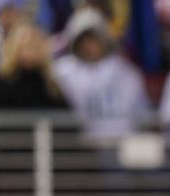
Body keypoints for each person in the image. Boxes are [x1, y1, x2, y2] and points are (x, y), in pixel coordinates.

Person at [52, 8, 150, 139]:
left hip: (120, 145)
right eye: (83, 40)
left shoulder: (127, 73)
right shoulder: (61, 71)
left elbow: (141, 115)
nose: (89, 45)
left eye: (93, 38)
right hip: (79, 147)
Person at [0, 23, 70, 110]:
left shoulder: (51, 86)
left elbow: (62, 115)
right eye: (26, 45)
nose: (30, 51)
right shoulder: (2, 83)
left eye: (35, 45)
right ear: (14, 48)